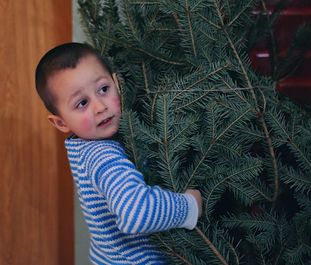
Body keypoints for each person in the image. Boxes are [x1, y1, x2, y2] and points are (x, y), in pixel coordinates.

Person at [35, 42, 202, 264]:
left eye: (104, 89)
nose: (100, 106)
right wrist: (189, 205)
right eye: (82, 103)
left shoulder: (85, 148)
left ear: (116, 83)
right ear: (61, 122)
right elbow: (135, 215)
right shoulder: (103, 156)